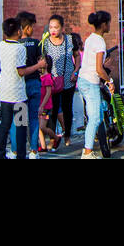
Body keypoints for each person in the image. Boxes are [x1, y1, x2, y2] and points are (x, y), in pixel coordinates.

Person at [0, 16, 45, 160]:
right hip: (18, 94)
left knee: (5, 125)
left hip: (4, 92)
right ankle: (22, 155)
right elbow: (21, 71)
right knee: (21, 126)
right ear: (18, 31)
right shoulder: (19, 48)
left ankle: (0, 154)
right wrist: (38, 66)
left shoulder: (1, 45)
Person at [77, 10, 113, 159]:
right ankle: (87, 153)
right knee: (95, 118)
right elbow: (99, 69)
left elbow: (93, 63)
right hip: (91, 83)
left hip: (83, 80)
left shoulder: (91, 38)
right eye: (109, 23)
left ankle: (88, 149)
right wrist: (109, 81)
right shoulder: (99, 42)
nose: (109, 25)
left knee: (95, 116)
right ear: (104, 24)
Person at [40, 14, 79, 149]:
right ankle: (53, 138)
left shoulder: (69, 40)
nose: (53, 30)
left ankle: (67, 134)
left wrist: (76, 71)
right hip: (52, 82)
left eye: (56, 27)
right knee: (53, 110)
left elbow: (77, 56)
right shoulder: (45, 42)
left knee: (67, 109)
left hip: (68, 79)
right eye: (51, 27)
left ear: (62, 28)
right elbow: (42, 60)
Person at [17, 11, 46, 158]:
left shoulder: (15, 45)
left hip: (20, 86)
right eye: (32, 26)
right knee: (34, 118)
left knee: (20, 119)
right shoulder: (36, 43)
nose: (33, 29)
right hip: (34, 83)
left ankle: (17, 150)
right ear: (27, 28)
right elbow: (42, 65)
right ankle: (34, 150)